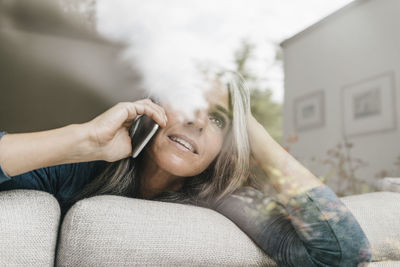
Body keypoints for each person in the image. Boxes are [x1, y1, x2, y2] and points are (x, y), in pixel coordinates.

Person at [0, 72, 371, 266]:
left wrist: (249, 129)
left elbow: (341, 253)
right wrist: (80, 141)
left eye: (218, 119)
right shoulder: (78, 169)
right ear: (154, 105)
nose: (198, 123)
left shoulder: (226, 201)